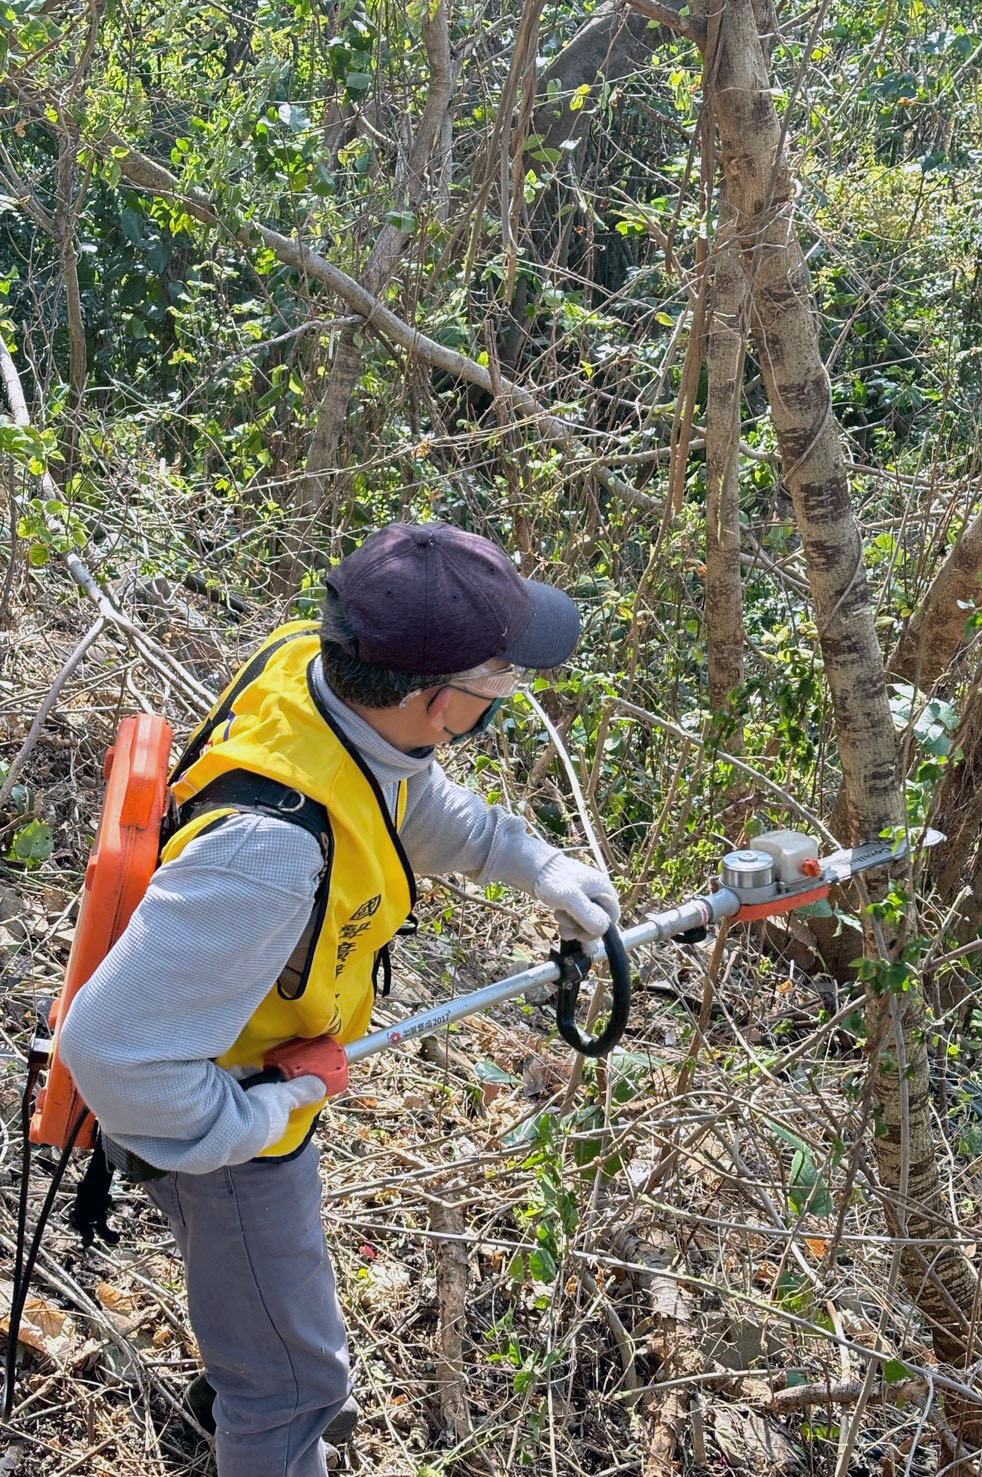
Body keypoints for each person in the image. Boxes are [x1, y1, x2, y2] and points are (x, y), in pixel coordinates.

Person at [60, 522, 620, 1477]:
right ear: (437, 703)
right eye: (497, 689)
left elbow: (401, 797)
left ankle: (239, 1370)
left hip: (224, 1061)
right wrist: (275, 1105)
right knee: (292, 1388)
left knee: (261, 1339)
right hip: (229, 1121)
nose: (507, 700)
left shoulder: (318, 667)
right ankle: (262, 1408)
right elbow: (109, 1053)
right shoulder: (269, 856)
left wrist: (541, 865)